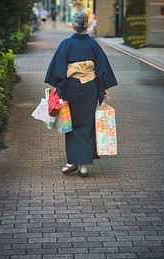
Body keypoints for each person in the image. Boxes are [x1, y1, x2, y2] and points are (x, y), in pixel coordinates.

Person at [44, 11, 118, 177]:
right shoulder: (94, 45)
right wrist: (103, 86)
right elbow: (101, 68)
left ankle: (72, 162)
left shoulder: (66, 44)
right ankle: (83, 165)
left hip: (71, 89)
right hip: (90, 89)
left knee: (71, 124)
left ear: (73, 26)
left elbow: (59, 68)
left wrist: (57, 86)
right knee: (87, 125)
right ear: (87, 26)